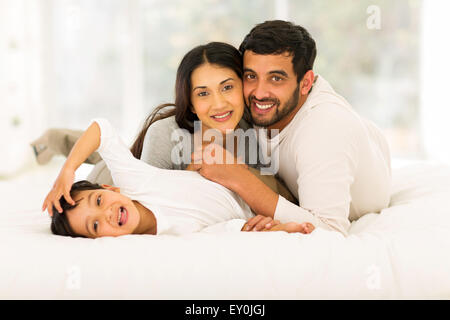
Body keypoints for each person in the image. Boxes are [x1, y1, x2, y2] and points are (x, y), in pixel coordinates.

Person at [187, 20, 392, 236]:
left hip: (365, 158)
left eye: (276, 78)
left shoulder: (326, 129)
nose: (259, 92)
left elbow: (330, 231)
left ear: (305, 83)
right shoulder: (253, 104)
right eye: (251, 76)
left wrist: (238, 177)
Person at [32, 42, 297, 207]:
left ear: (243, 87)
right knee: (111, 154)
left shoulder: (253, 127)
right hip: (120, 177)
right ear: (191, 103)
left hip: (146, 157)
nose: (219, 104)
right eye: (203, 93)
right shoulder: (165, 133)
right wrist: (191, 176)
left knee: (125, 146)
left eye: (227, 87)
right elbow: (146, 196)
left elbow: (275, 193)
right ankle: (53, 139)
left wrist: (234, 172)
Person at [42, 118, 315, 238]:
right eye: (95, 226)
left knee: (105, 159)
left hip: (198, 161)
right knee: (103, 161)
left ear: (110, 189)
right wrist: (277, 229)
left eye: (99, 201)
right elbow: (231, 231)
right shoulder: (173, 236)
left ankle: (55, 139)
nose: (107, 214)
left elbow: (102, 128)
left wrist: (68, 171)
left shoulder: (131, 183)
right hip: (236, 197)